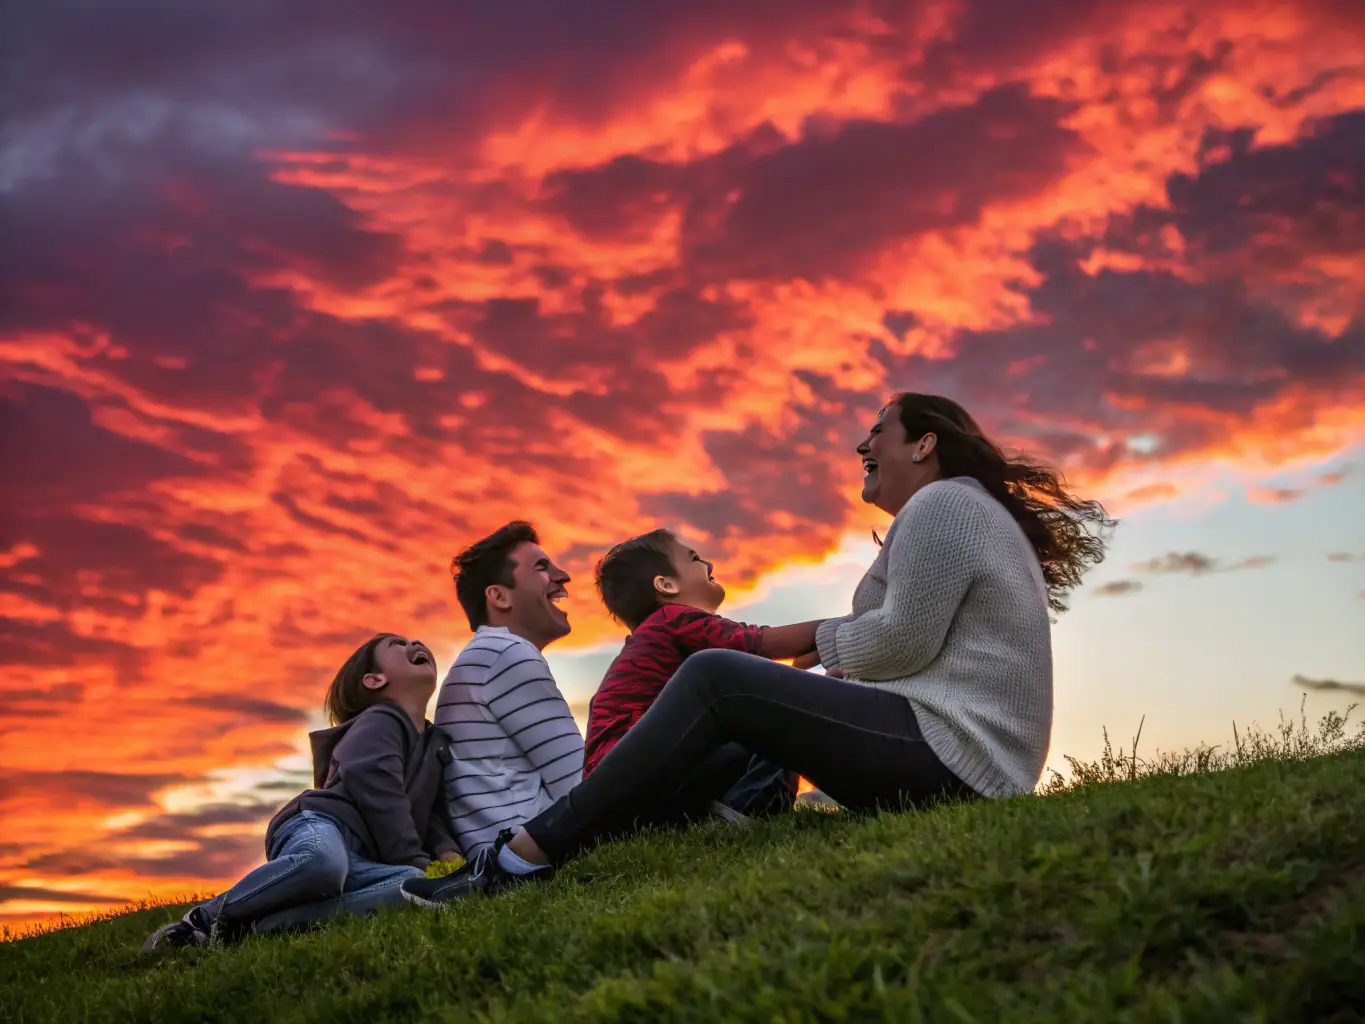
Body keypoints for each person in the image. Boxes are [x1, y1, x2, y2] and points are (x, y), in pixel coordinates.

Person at [400, 392, 1113, 908]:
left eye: (877, 432)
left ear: (922, 443)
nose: (862, 448)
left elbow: (899, 640)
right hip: (961, 752)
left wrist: (821, 650)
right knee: (737, 692)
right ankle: (555, 845)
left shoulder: (942, 504)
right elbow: (903, 644)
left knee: (716, 675)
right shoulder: (955, 510)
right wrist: (828, 660)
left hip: (957, 754)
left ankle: (524, 857)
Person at [143, 633, 459, 949]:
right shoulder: (382, 720)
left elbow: (428, 811)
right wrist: (412, 856)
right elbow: (376, 785)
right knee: (322, 863)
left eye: (412, 641)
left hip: (361, 860)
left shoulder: (434, 743)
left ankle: (259, 930)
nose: (414, 644)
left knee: (411, 886)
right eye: (397, 645)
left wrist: (447, 853)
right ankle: (201, 920)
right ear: (374, 680)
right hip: (321, 824)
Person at [583, 529, 820, 816]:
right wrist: (858, 623)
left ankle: (720, 810)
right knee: (780, 720)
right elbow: (764, 643)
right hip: (645, 782)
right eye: (694, 558)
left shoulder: (649, 643)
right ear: (666, 585)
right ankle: (747, 810)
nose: (708, 565)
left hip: (613, 795)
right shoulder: (674, 620)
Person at [434, 522, 585, 858]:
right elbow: (581, 788)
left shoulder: (486, 656)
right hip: (531, 854)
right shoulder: (505, 653)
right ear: (499, 596)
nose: (562, 576)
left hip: (504, 849)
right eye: (542, 567)